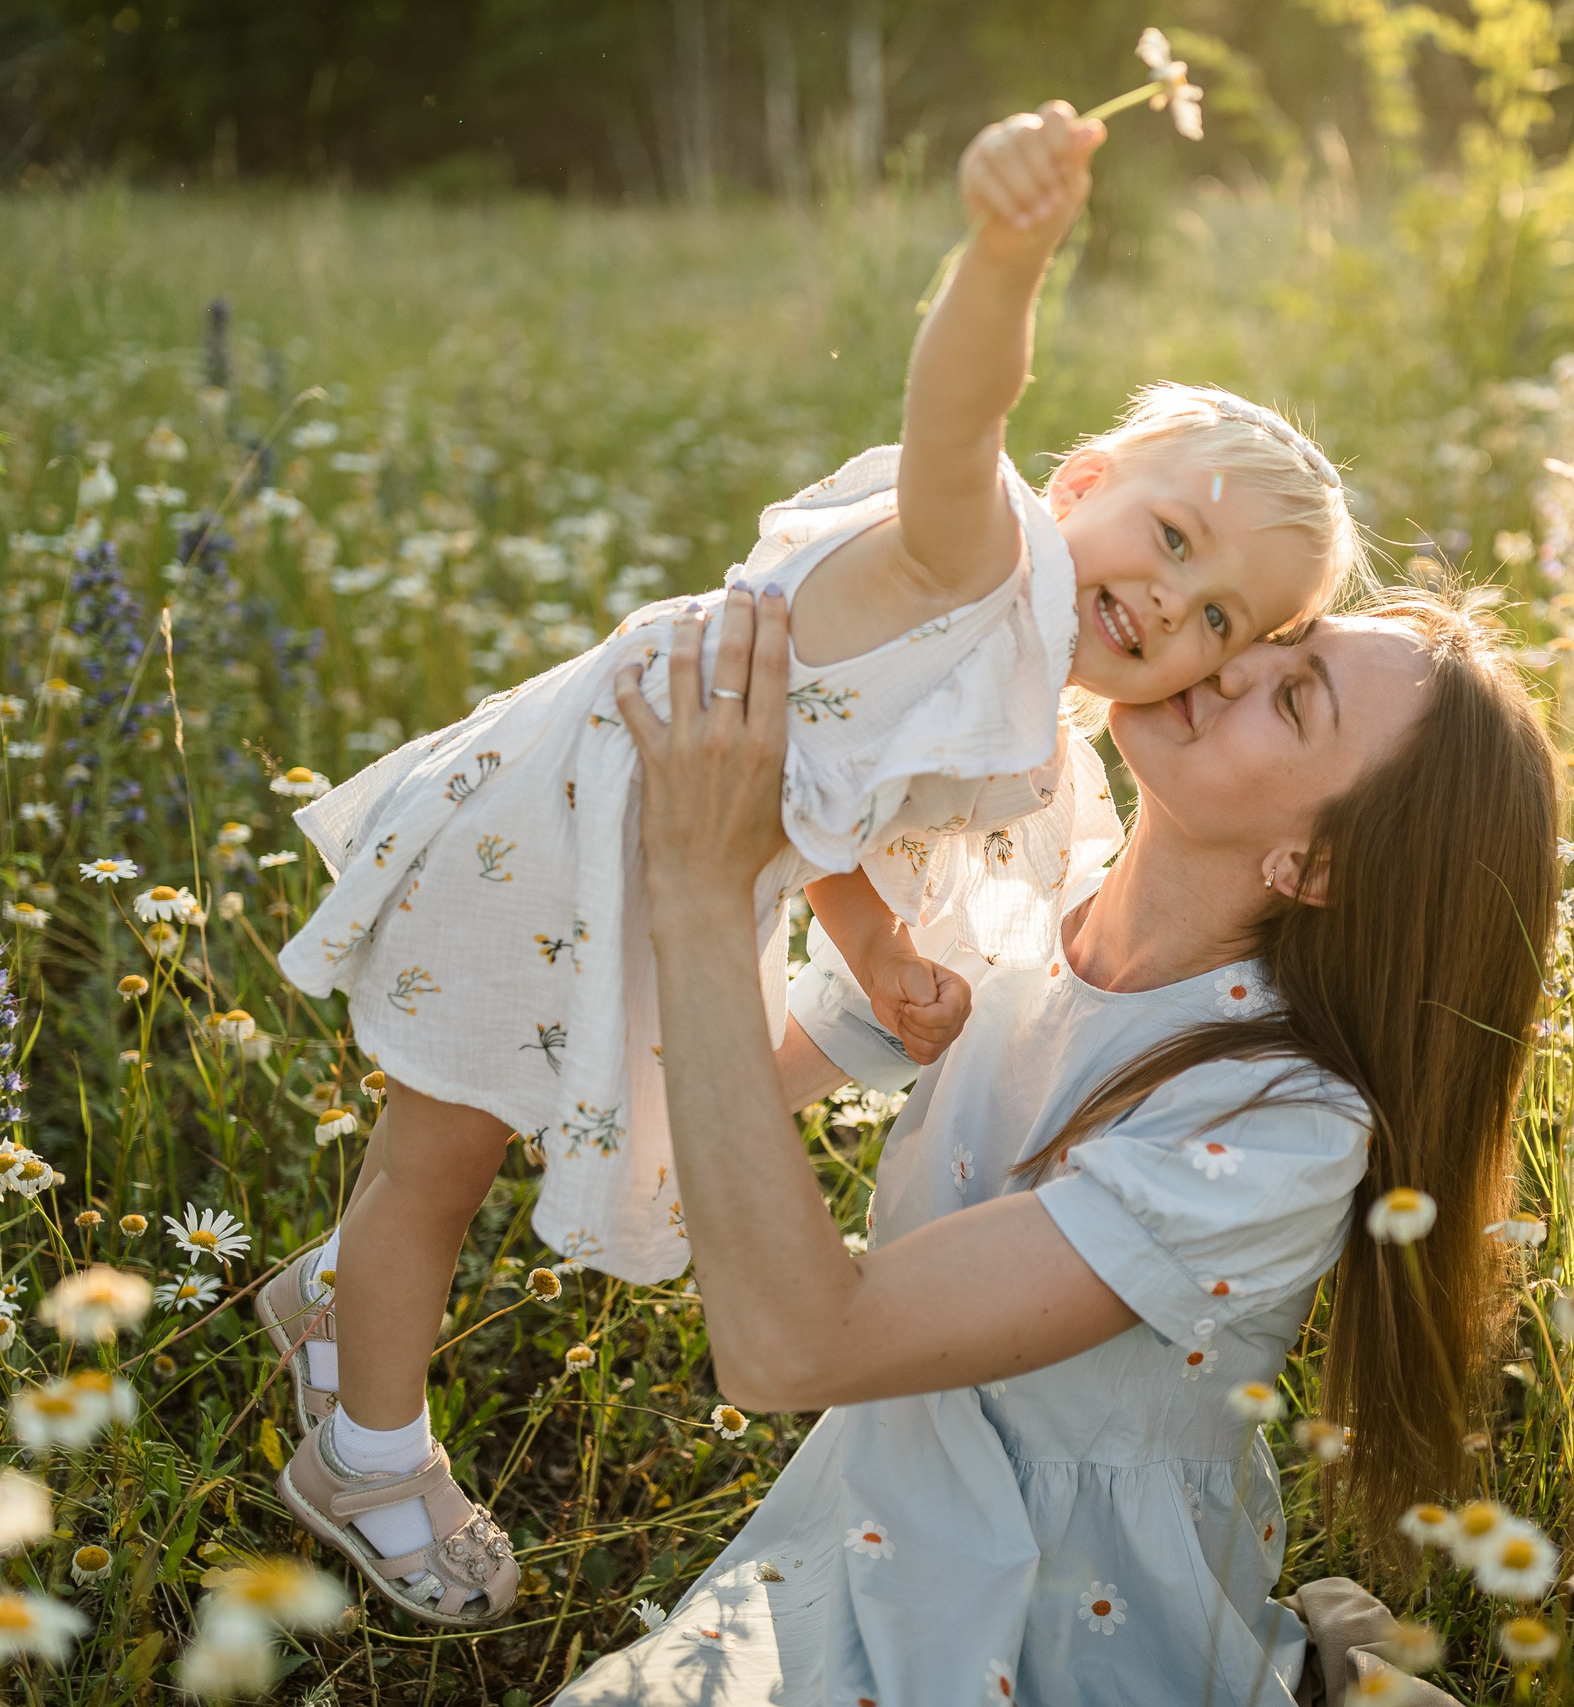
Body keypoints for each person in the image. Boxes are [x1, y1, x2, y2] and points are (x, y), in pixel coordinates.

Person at [258, 101, 1362, 1626]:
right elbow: (962, 411)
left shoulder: (1028, 674)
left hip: (665, 853)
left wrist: (867, 943)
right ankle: (366, 1443)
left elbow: (827, 794)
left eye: (1224, 616)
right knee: (440, 1158)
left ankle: (337, 1306)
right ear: (1086, 478)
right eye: (1170, 536)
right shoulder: (983, 554)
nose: (1173, 607)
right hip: (564, 831)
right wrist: (1002, 260)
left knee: (513, 1123)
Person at [552, 585, 1558, 1703]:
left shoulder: (1275, 1123)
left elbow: (793, 1348)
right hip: (868, 1519)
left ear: (1312, 868)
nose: (1226, 669)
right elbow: (659, 1101)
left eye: (1292, 698)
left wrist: (700, 887)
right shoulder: (1005, 891)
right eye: (1275, 643)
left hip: (1062, 1628)